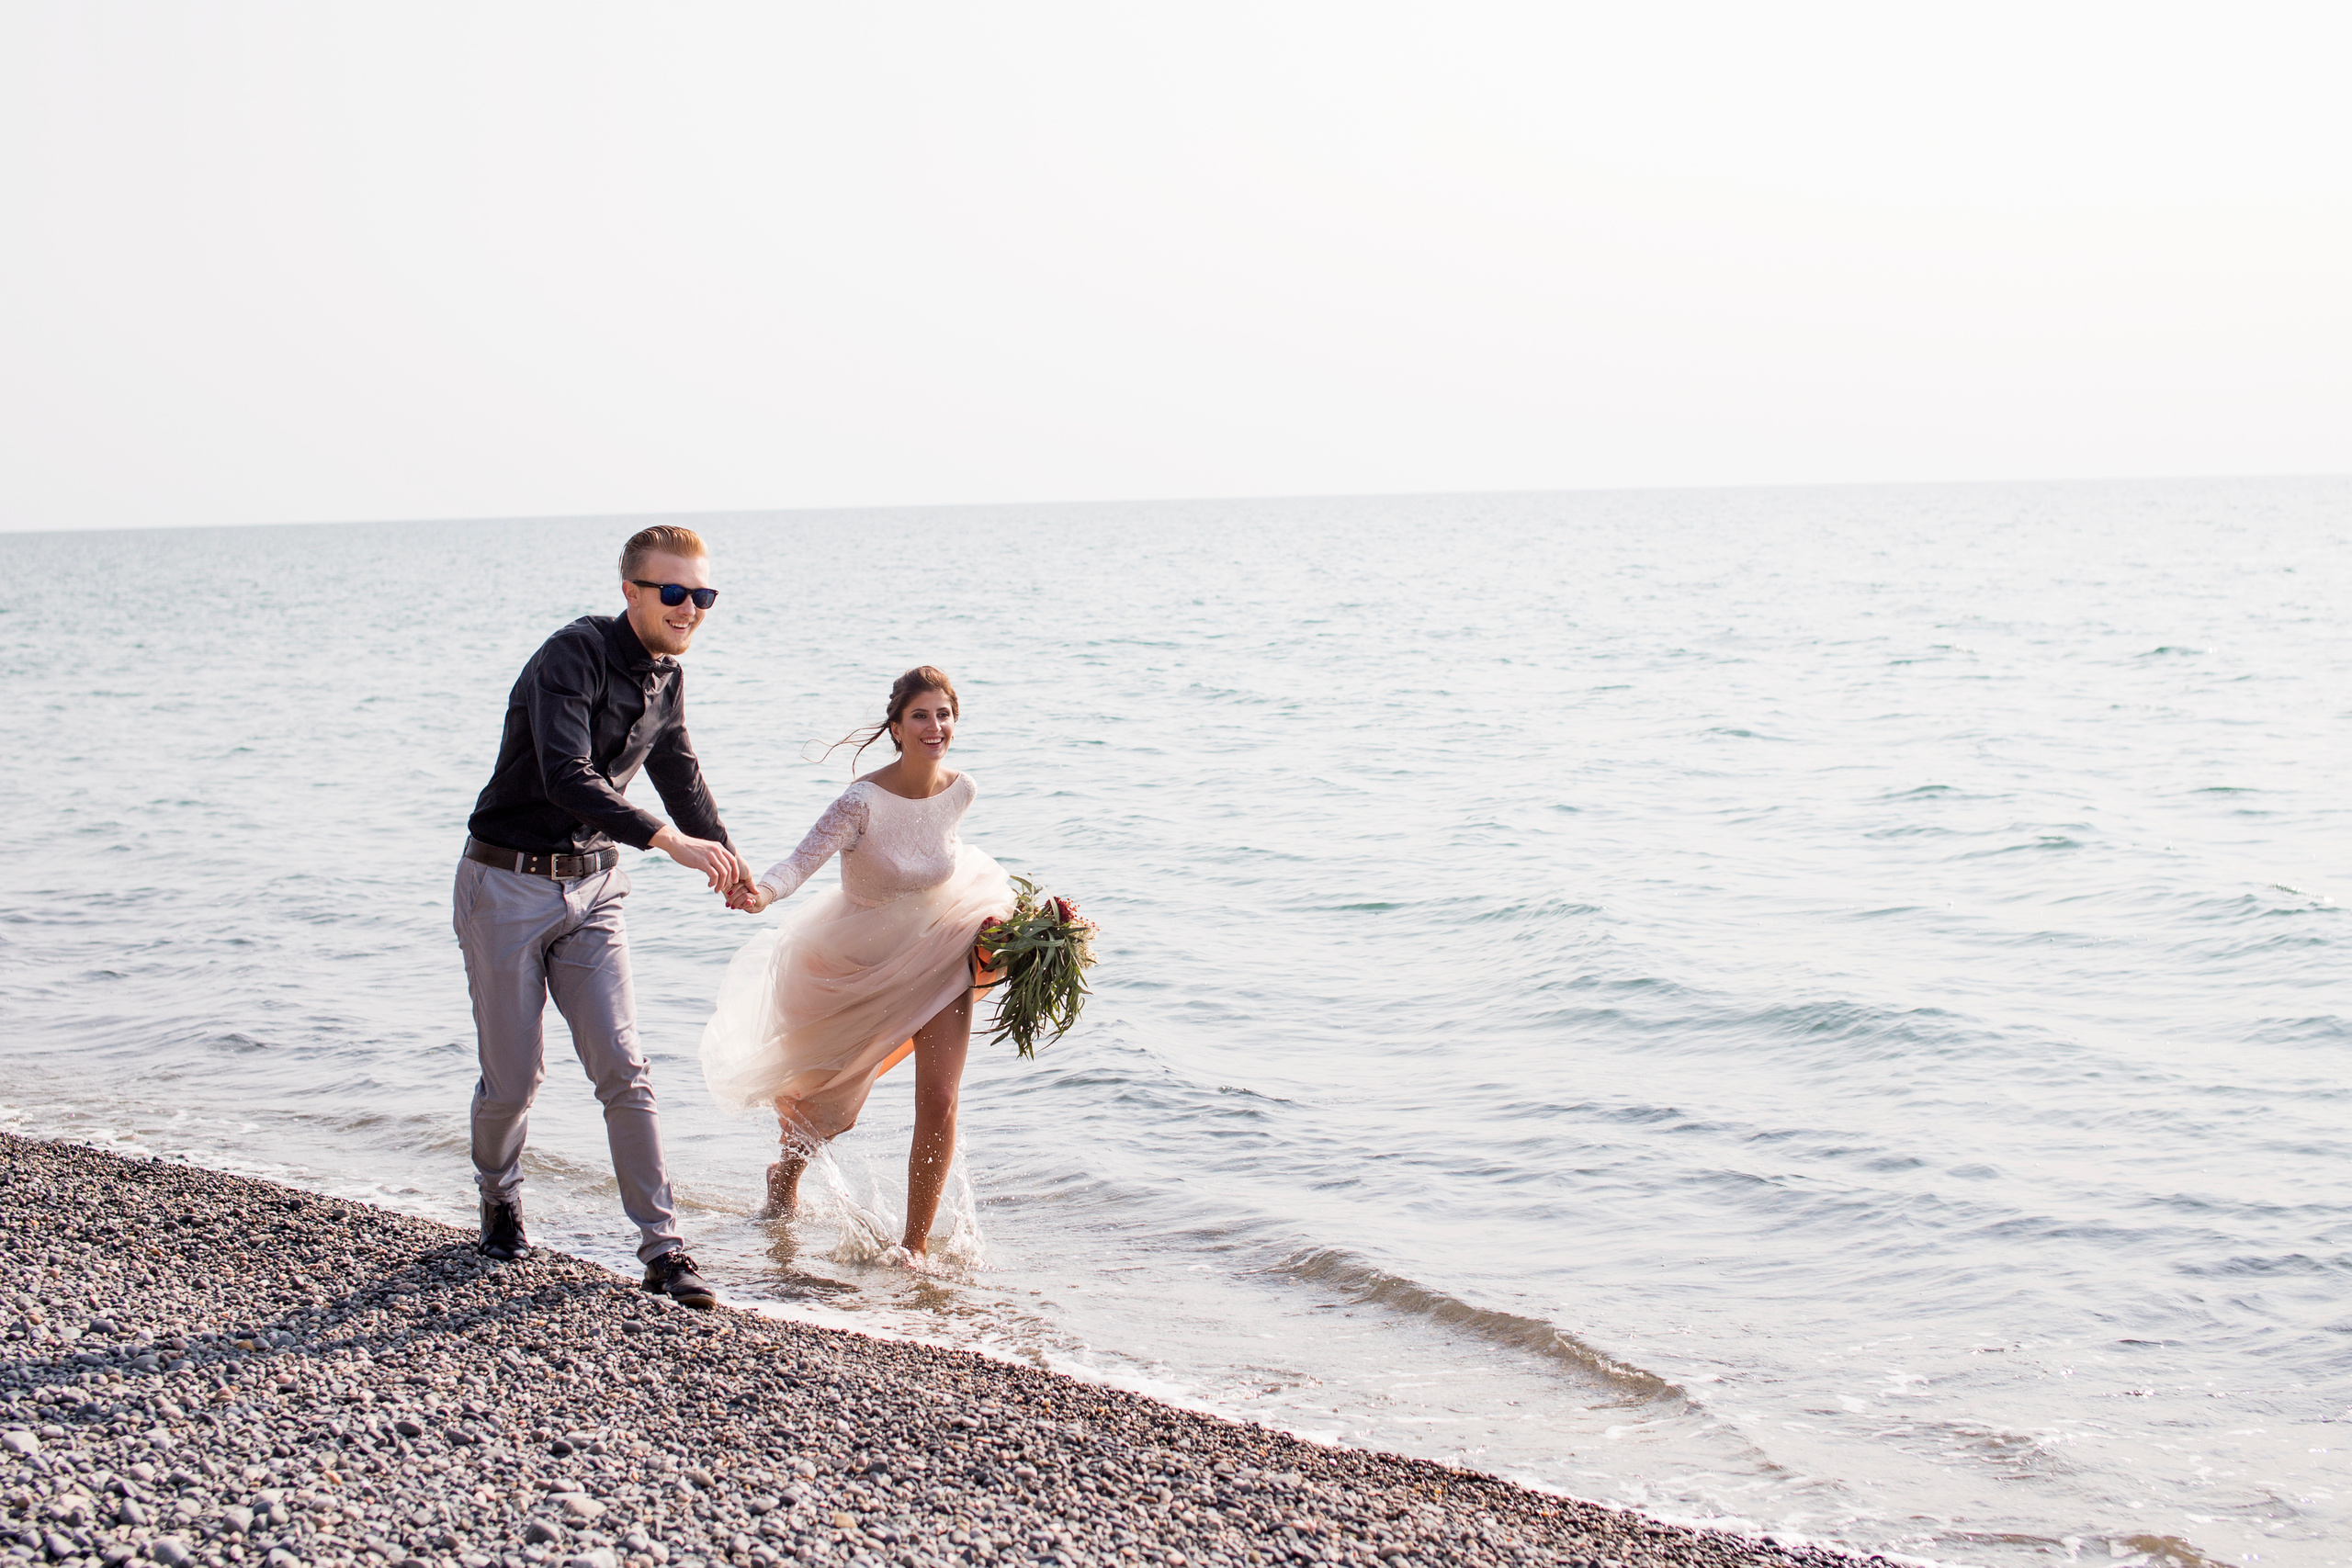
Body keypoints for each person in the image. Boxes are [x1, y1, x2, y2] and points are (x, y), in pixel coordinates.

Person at [454, 524, 746, 1308]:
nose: (690, 609)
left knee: (625, 1066)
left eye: (703, 595)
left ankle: (663, 1249)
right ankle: (499, 1193)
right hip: (506, 883)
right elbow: (565, 776)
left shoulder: (668, 680)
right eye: (674, 592)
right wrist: (667, 842)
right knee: (515, 1082)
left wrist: (729, 861)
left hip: (595, 888)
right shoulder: (570, 656)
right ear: (632, 591)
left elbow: (680, 773)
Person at [701, 666, 1012, 1265]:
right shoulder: (860, 801)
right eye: (921, 714)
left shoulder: (961, 789)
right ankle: (786, 1178)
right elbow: (798, 863)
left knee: (941, 1099)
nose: (935, 726)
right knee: (828, 1105)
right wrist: (761, 893)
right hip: (859, 962)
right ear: (895, 726)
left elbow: (952, 861)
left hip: (941, 952)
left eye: (944, 714)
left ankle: (914, 1244)